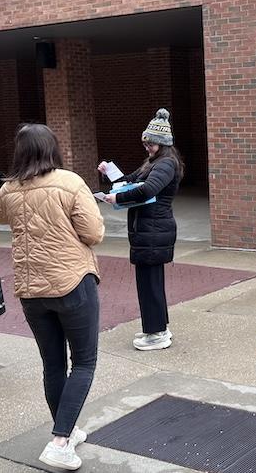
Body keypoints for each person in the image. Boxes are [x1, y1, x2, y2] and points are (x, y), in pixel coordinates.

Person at [0, 123, 104, 471]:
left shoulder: (9, 189)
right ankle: (59, 442)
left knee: (52, 364)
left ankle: (66, 432)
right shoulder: (70, 182)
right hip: (72, 282)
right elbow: (95, 232)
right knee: (83, 362)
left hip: (31, 290)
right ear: (52, 148)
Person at [99, 108, 183, 351]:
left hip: (155, 230)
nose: (147, 147)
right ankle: (156, 329)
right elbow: (128, 181)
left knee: (151, 284)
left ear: (162, 143)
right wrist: (109, 173)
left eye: (151, 144)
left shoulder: (166, 164)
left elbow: (147, 190)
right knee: (148, 283)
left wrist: (119, 199)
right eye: (146, 143)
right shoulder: (153, 163)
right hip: (148, 229)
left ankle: (157, 333)